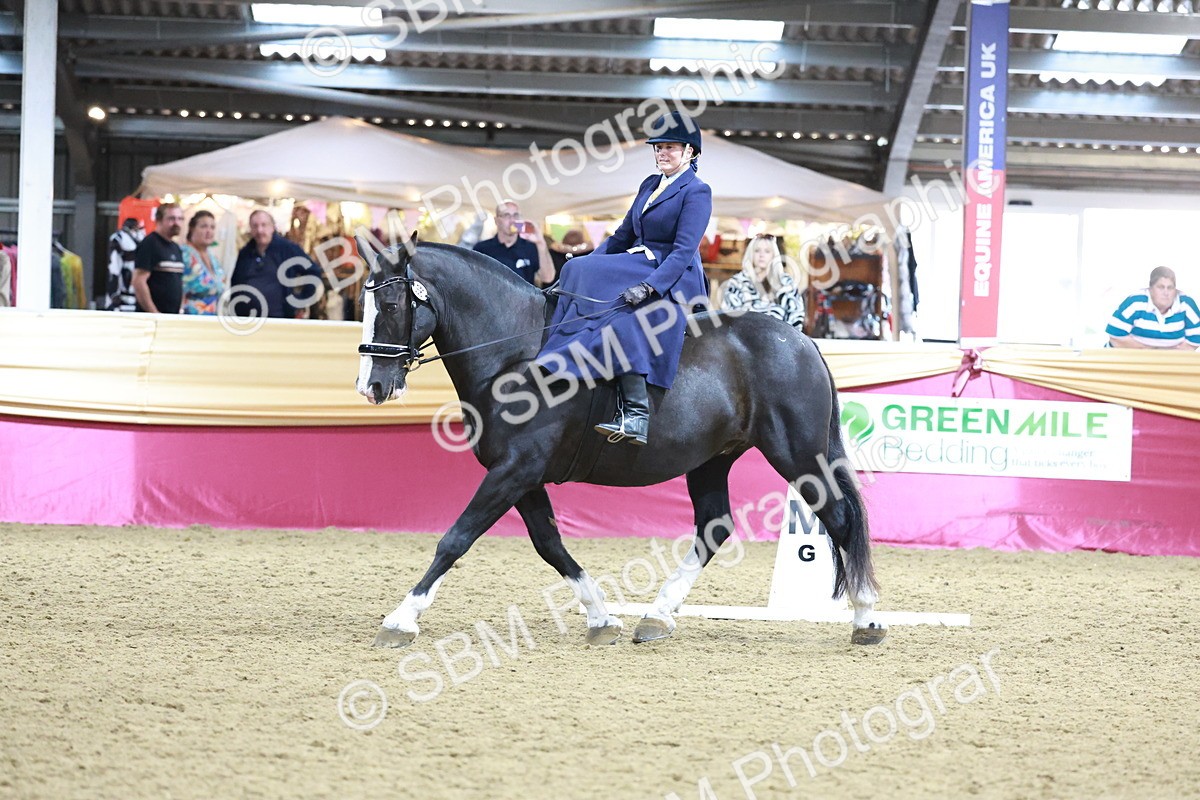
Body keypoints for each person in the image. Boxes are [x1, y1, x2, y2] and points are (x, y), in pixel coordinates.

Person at [536, 111, 712, 446]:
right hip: (639, 260)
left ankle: (636, 413)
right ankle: (558, 358)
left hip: (671, 274)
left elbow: (683, 250)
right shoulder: (650, 184)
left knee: (627, 320)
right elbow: (623, 235)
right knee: (574, 269)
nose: (661, 153)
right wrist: (588, 263)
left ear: (690, 152)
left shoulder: (698, 192)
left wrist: (650, 287)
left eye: (670, 147)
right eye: (658, 147)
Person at [230, 209, 324, 319]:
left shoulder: (287, 249)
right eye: (255, 226)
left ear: (272, 226)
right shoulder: (245, 253)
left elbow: (314, 272)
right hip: (248, 320)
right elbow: (236, 282)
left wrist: (300, 300)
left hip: (279, 319)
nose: (260, 230)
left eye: (264, 225)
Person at [720, 233, 805, 328]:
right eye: (757, 251)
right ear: (751, 254)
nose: (761, 255)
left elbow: (796, 319)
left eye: (767, 251)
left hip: (780, 340)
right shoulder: (736, 283)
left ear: (774, 255)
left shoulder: (786, 283)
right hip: (744, 340)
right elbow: (728, 318)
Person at [1106, 266, 1200, 350]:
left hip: (1170, 362)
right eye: (1160, 287)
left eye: (1170, 288)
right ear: (1150, 288)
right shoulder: (1135, 302)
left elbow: (1195, 340)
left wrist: (1164, 358)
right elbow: (1115, 336)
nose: (1166, 293)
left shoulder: (1186, 304)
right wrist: (1149, 352)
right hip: (1131, 358)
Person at [473, 200, 555, 286]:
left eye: (516, 215)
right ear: (496, 221)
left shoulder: (530, 247)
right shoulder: (482, 248)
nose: (512, 220)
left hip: (525, 299)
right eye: (506, 215)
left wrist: (540, 243)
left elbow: (548, 278)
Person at [132, 203, 185, 314]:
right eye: (171, 218)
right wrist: (154, 314)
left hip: (171, 317)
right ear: (159, 220)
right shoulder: (149, 244)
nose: (177, 223)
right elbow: (139, 282)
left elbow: (177, 282)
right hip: (152, 319)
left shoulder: (176, 248)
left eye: (180, 219)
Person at [178, 210, 227, 315]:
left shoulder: (213, 258)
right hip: (189, 317)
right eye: (204, 226)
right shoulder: (183, 254)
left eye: (212, 227)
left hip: (213, 318)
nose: (208, 231)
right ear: (192, 228)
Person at [105, 217, 143, 312]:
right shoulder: (118, 237)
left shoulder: (141, 236)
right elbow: (114, 265)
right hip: (123, 281)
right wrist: (114, 291)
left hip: (138, 283)